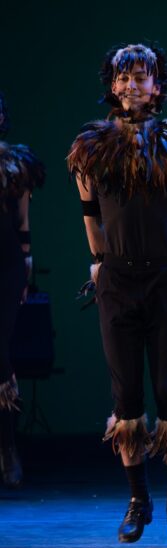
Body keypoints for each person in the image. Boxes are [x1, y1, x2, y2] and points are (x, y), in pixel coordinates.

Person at [68, 43, 167, 548]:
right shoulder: (92, 145)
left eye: (141, 77)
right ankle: (137, 500)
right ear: (111, 85)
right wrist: (101, 263)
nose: (132, 86)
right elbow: (92, 215)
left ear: (157, 85)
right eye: (123, 78)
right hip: (118, 280)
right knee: (125, 395)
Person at [0, 91, 45, 487]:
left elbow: (21, 216)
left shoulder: (12, 163)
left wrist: (26, 263)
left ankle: (7, 444)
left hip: (4, 261)